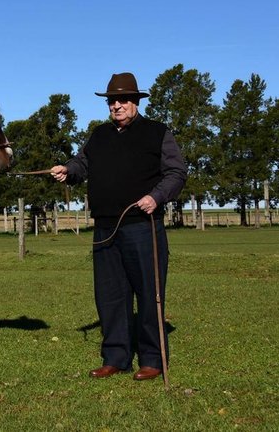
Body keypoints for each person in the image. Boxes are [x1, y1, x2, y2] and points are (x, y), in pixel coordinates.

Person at [51, 72, 186, 381]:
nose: (117, 105)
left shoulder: (157, 133)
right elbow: (81, 164)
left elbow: (176, 172)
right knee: (110, 295)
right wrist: (67, 171)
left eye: (123, 99)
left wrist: (156, 197)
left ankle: (151, 359)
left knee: (149, 293)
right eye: (112, 100)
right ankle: (115, 357)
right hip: (105, 230)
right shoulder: (99, 135)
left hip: (143, 227)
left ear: (136, 101)